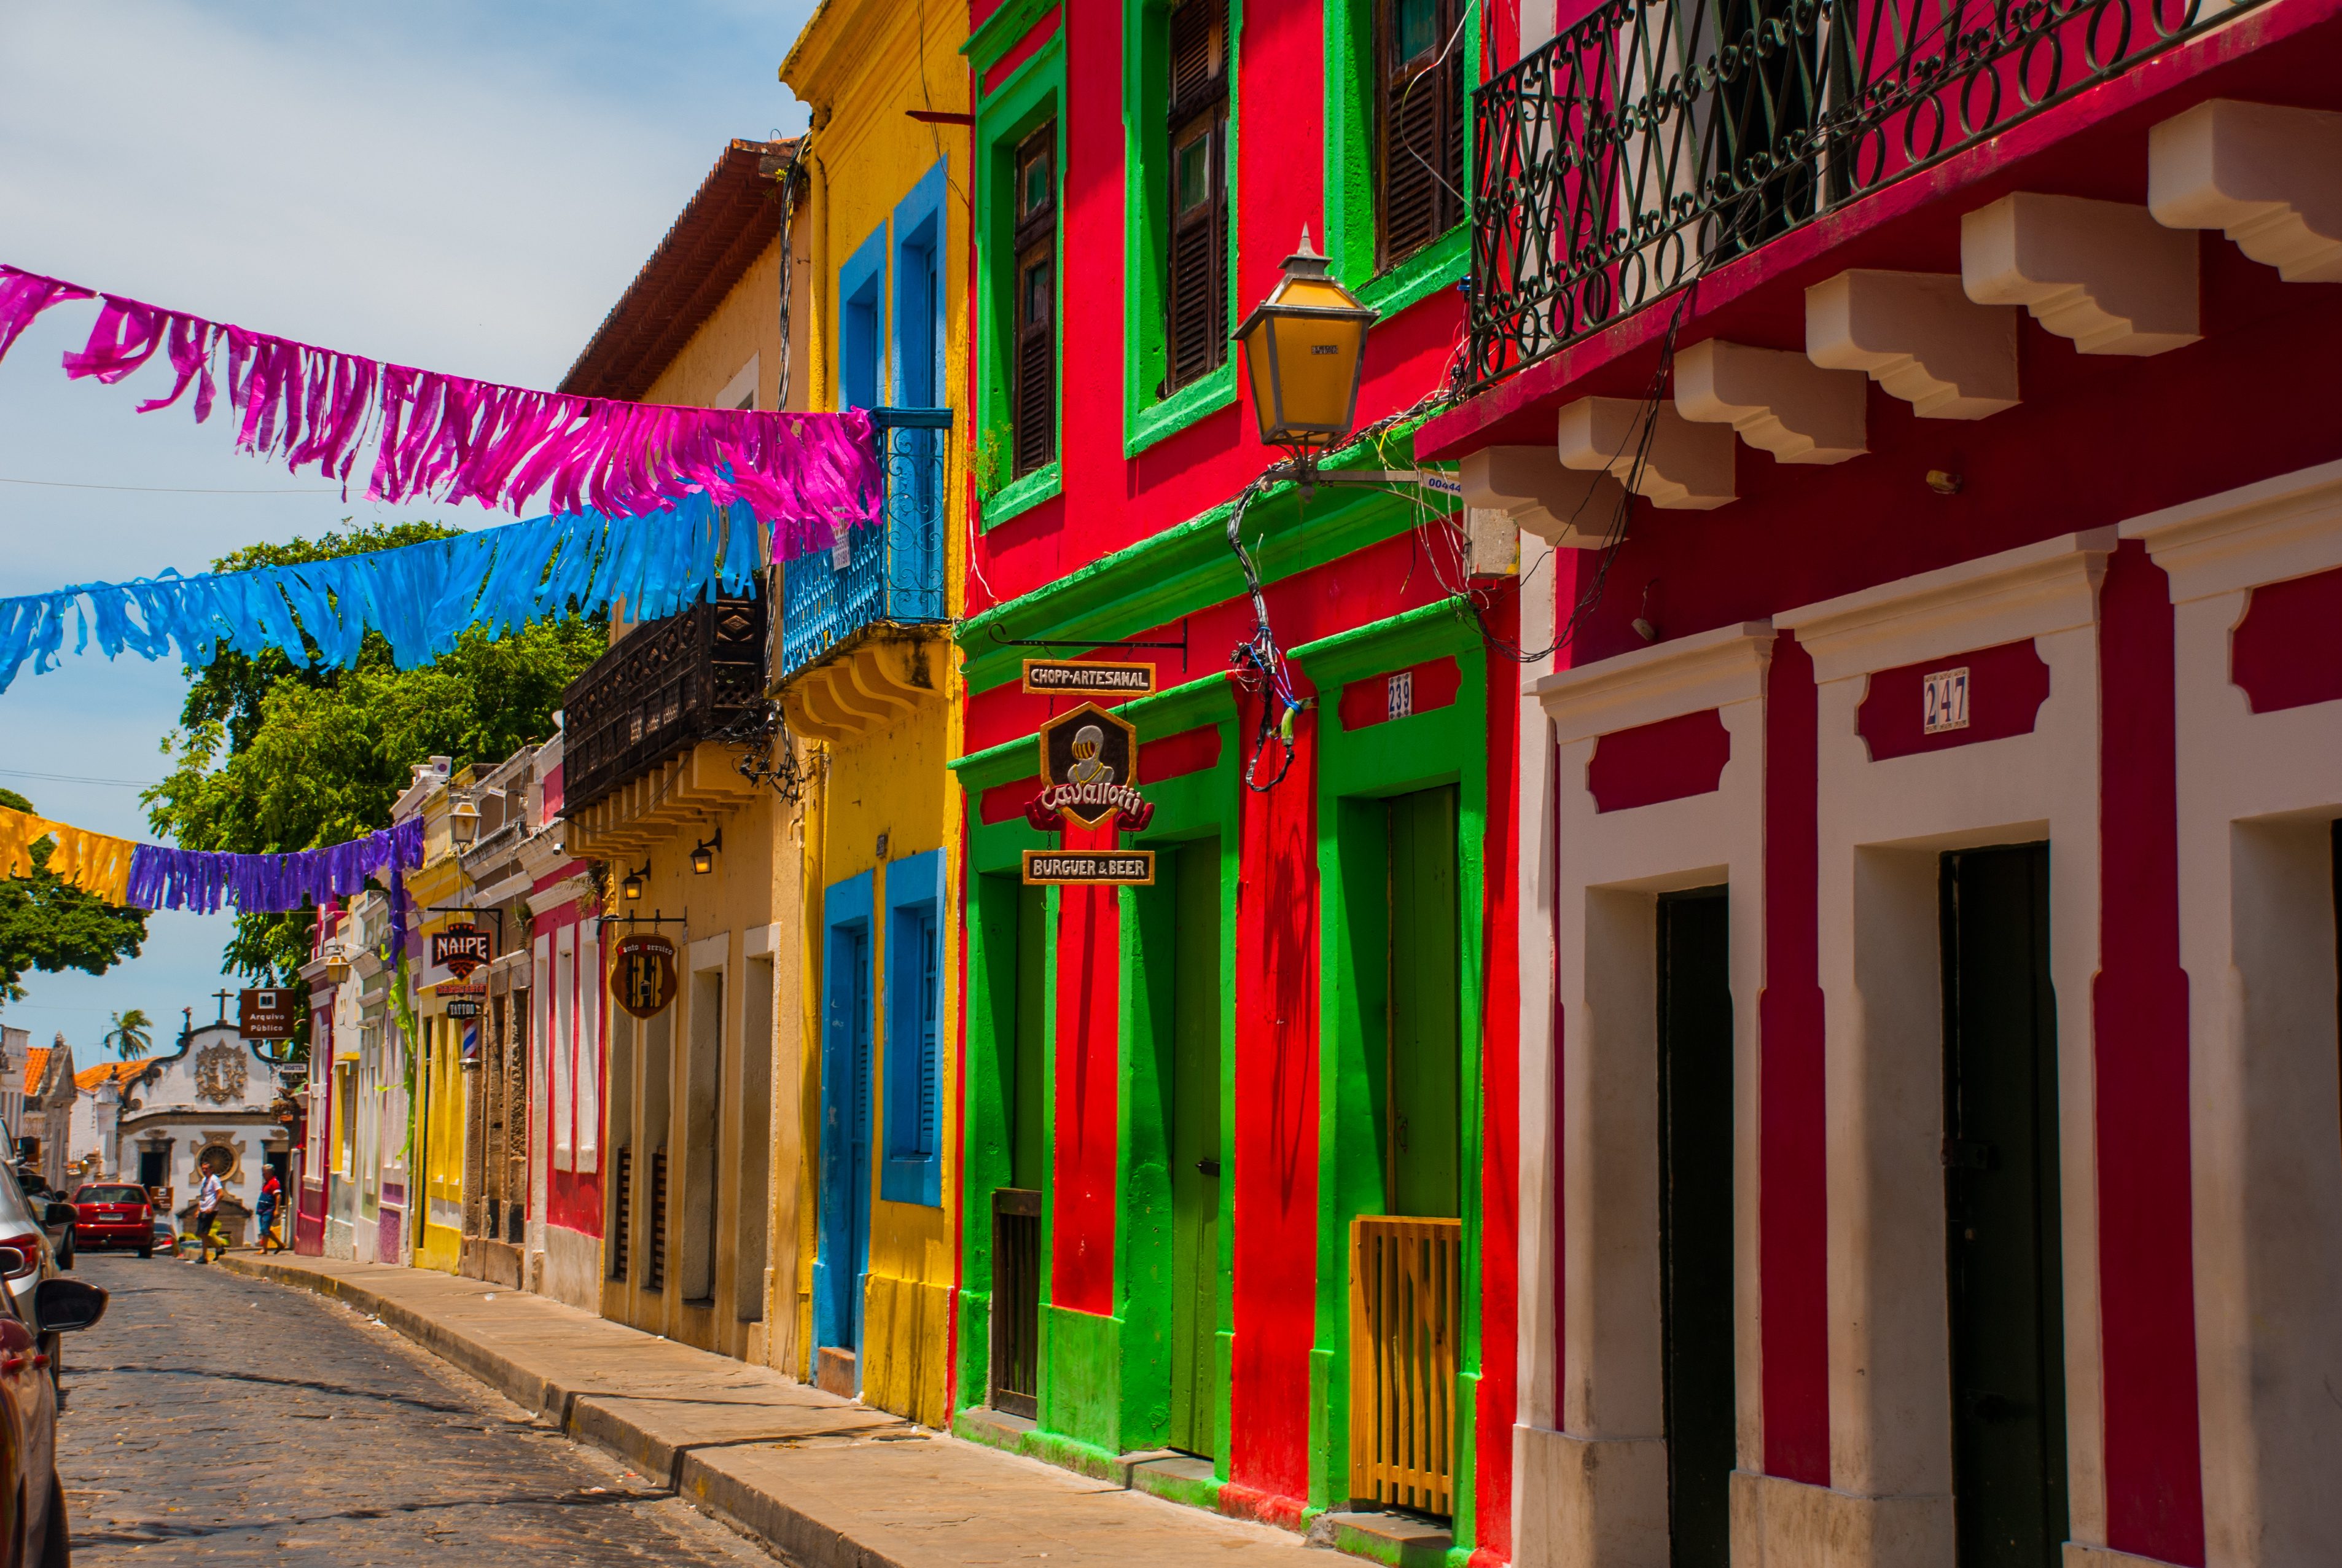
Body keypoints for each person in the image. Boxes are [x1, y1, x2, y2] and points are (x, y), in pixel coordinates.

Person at [195, 1164, 226, 1264]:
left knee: (203, 1233)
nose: (204, 1170)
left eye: (206, 1169)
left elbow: (221, 1194)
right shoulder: (204, 1180)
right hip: (203, 1209)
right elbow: (202, 1196)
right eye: (203, 1169)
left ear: (211, 1169)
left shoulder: (214, 1179)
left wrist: (212, 1208)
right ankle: (219, 1248)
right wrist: (198, 1210)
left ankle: (204, 1256)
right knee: (201, 1233)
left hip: (210, 1210)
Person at [254, 1172, 282, 1254]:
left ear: (270, 1173)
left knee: (265, 1228)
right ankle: (280, 1244)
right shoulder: (267, 1183)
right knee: (264, 1229)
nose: (263, 1175)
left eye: (265, 1173)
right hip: (263, 1209)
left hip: (269, 1208)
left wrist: (277, 1210)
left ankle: (264, 1249)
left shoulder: (274, 1182)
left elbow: (278, 1196)